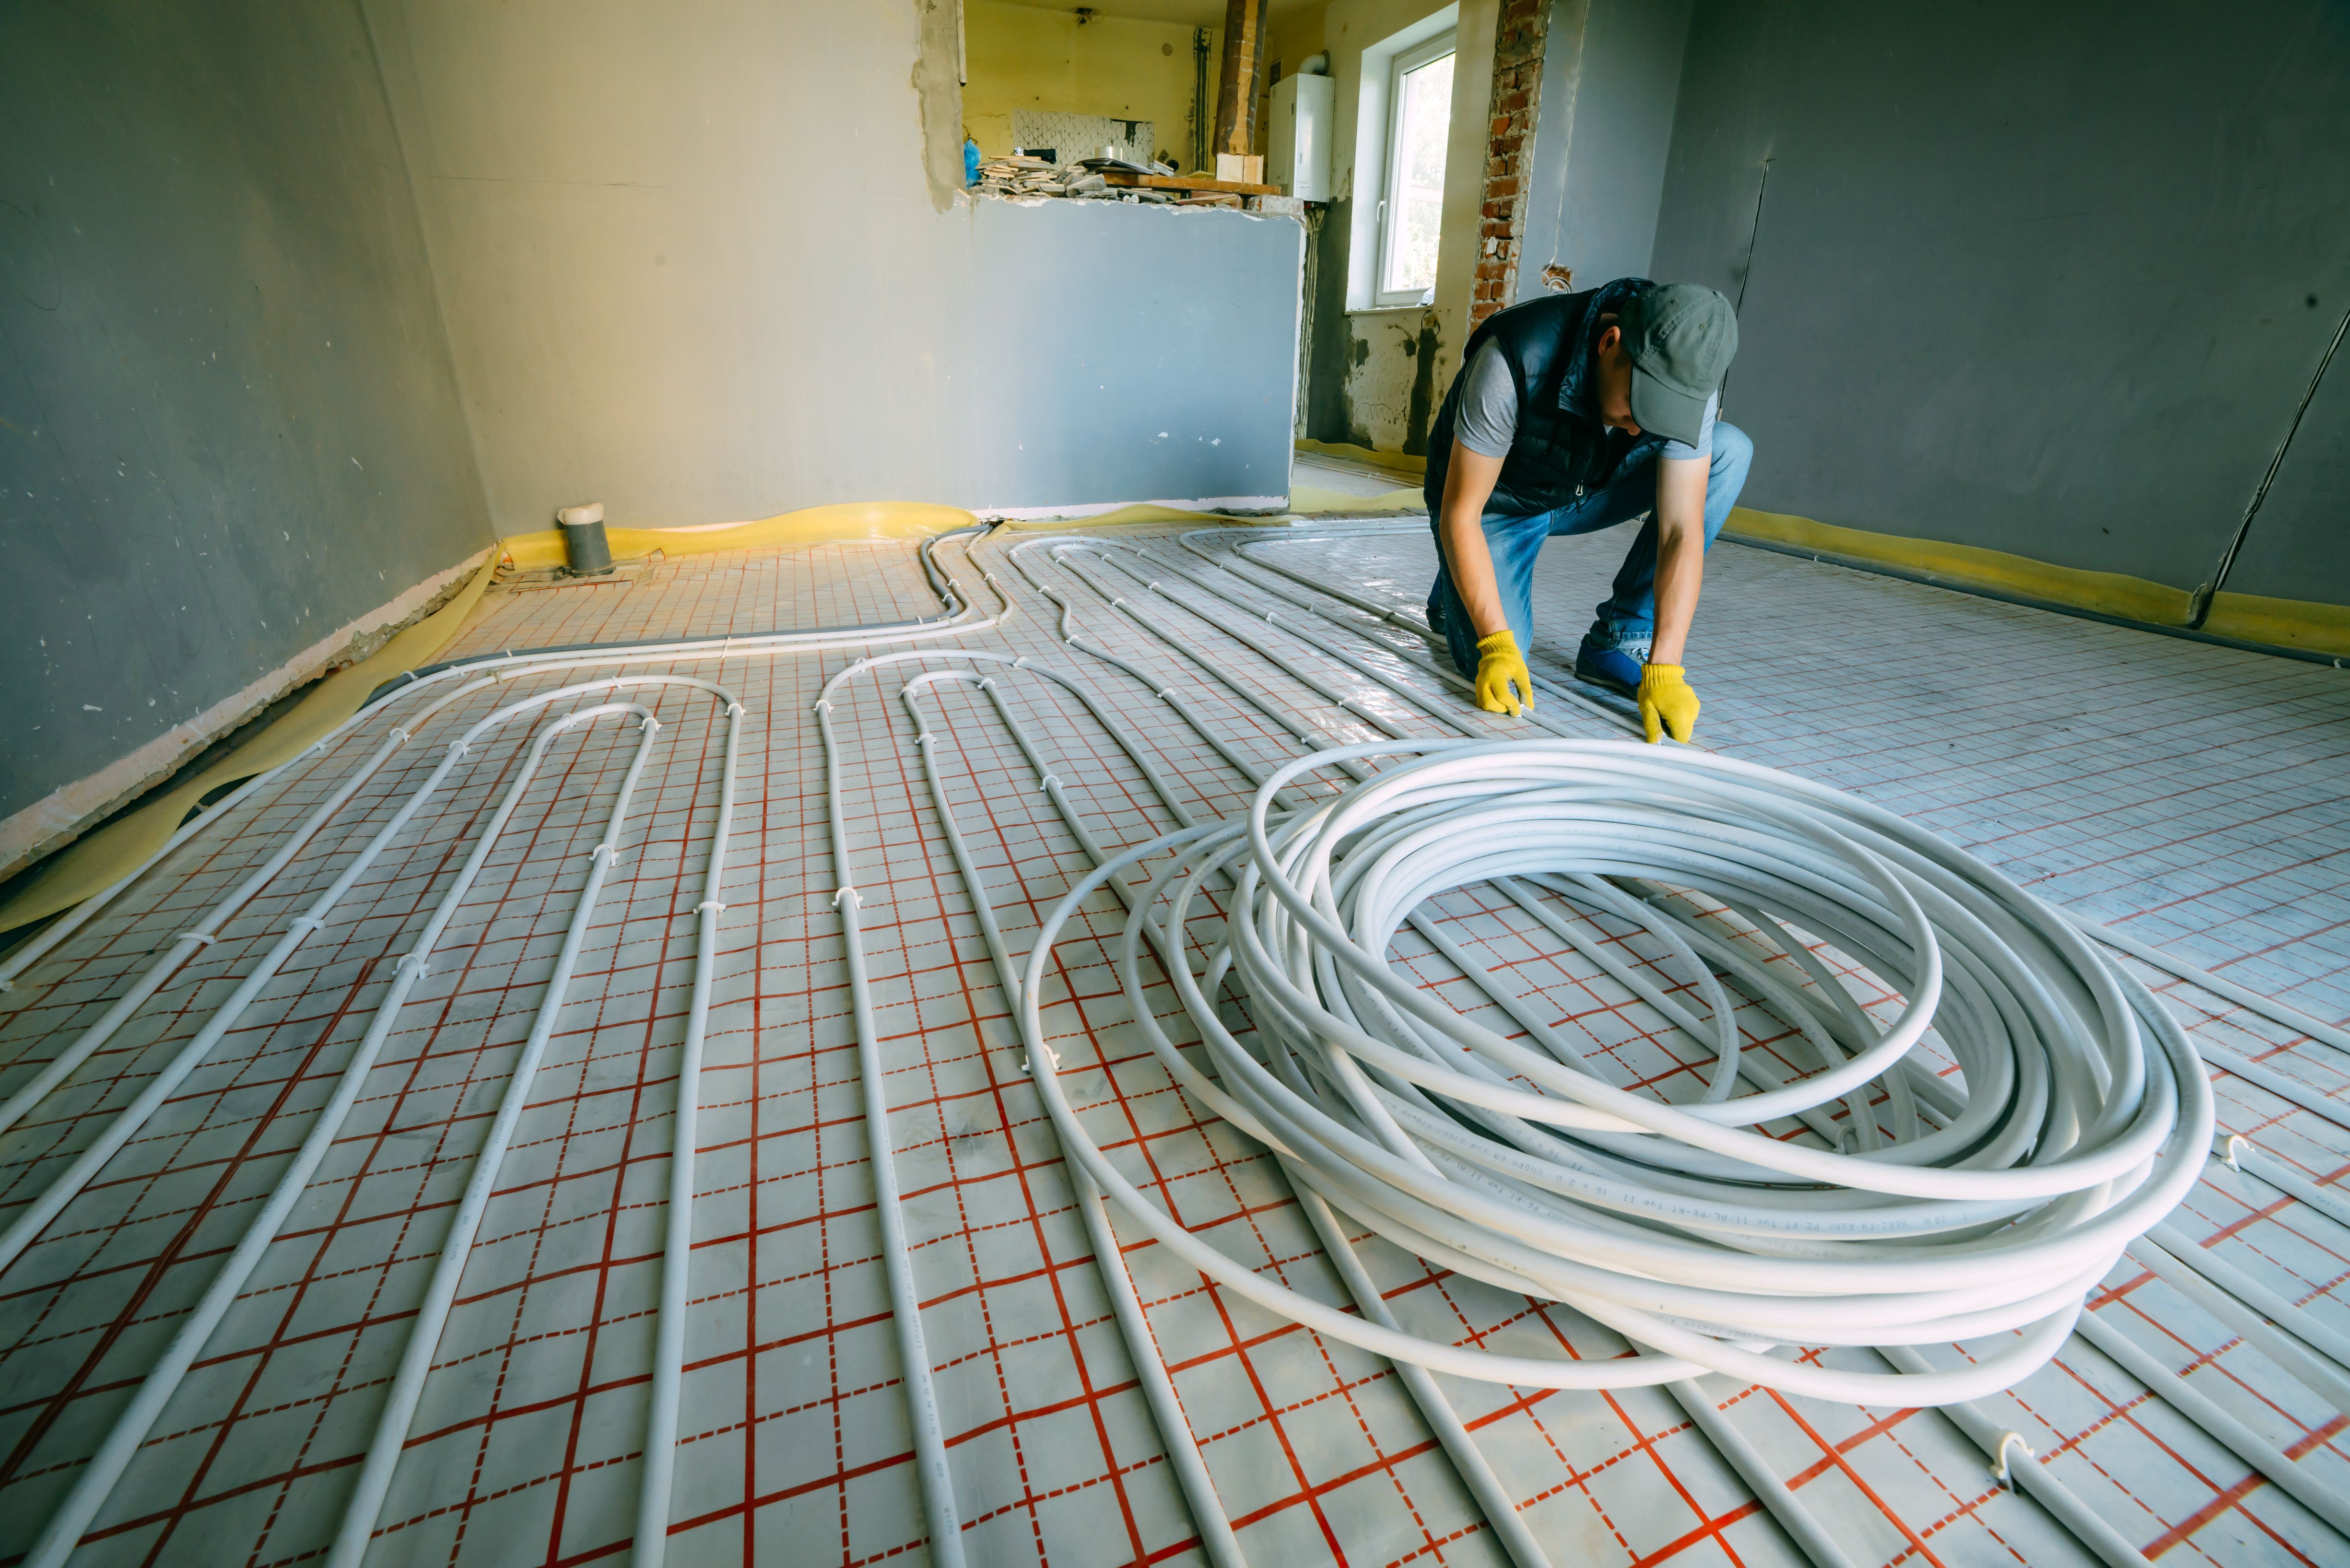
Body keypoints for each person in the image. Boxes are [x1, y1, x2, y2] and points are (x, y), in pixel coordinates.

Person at [1422, 278, 1751, 743]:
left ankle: (1620, 636)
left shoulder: (1688, 383)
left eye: (1660, 415)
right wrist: (1495, 642)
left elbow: (1681, 531)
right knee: (1494, 661)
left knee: (1728, 450)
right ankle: (1457, 575)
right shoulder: (1512, 359)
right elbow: (1461, 511)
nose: (1641, 430)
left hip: (1584, 485)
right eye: (1640, 406)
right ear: (1609, 343)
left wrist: (1666, 666)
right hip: (1499, 501)